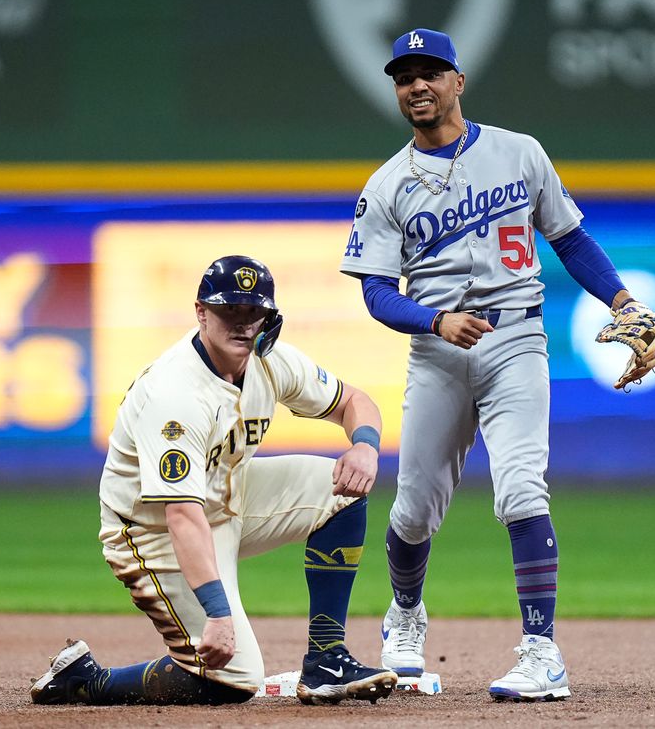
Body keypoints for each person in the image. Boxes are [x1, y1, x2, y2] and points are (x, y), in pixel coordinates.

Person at [339, 28, 655, 701]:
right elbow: (374, 292)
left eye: (430, 72)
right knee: (411, 512)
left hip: (516, 340)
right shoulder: (387, 184)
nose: (417, 85)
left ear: (459, 81)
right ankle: (404, 617)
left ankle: (543, 652)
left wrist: (625, 298)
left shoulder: (519, 153)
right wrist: (434, 319)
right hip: (436, 352)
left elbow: (570, 239)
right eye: (405, 77)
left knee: (520, 488)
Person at [30, 255, 398, 707]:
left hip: (226, 497)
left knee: (338, 491)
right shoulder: (176, 394)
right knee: (233, 680)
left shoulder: (272, 361)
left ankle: (326, 660)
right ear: (201, 312)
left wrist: (363, 445)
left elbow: (354, 401)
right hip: (153, 532)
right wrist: (217, 615)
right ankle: (83, 680)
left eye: (253, 312)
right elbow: (182, 516)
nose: (242, 324)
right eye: (229, 311)